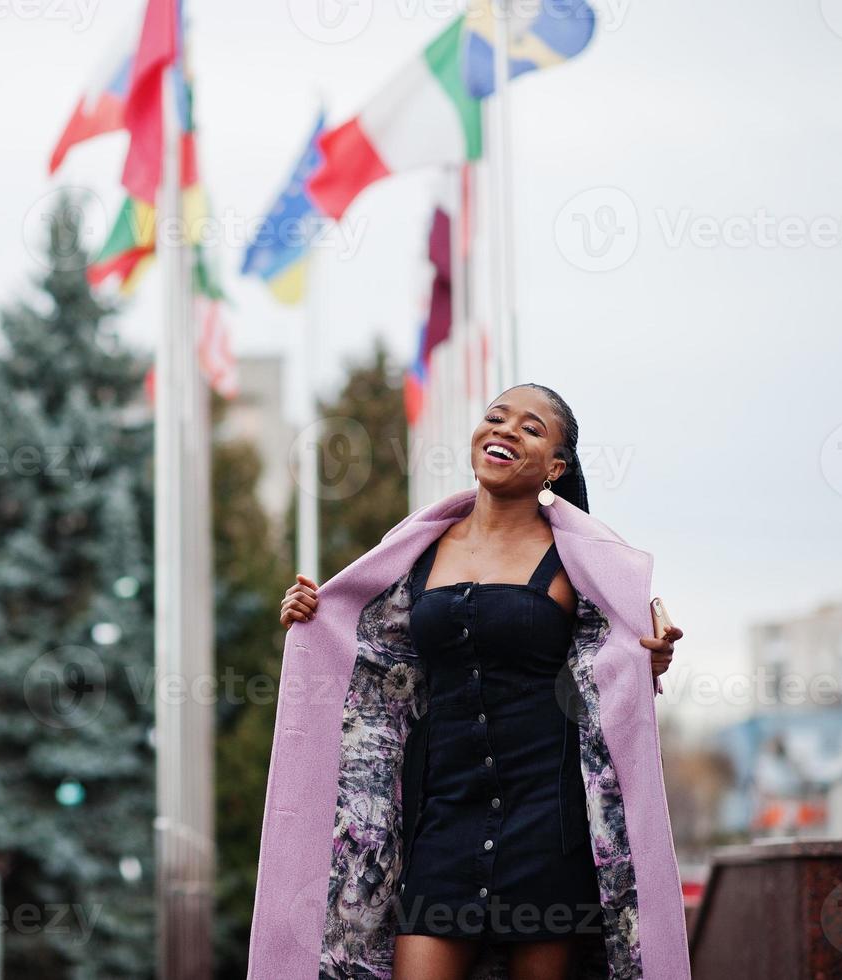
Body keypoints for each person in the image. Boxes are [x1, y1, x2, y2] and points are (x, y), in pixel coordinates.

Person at [277, 383, 683, 980]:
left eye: (532, 428)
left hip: (549, 824)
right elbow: (372, 661)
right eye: (497, 417)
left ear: (556, 467)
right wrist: (314, 617)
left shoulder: (584, 563)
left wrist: (649, 657)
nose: (507, 430)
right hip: (442, 820)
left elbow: (613, 664)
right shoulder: (413, 552)